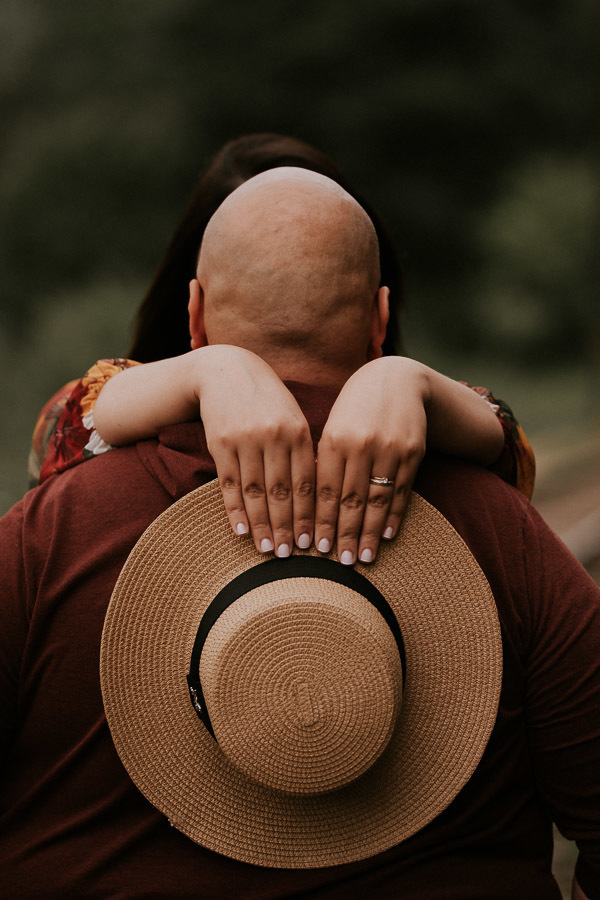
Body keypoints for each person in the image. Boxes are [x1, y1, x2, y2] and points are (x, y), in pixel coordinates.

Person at [1, 167, 598, 898]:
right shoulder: (499, 523)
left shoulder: (52, 529)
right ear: (380, 319)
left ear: (194, 315)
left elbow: (65, 432)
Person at [28, 133, 535, 557]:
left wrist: (408, 380)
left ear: (193, 309)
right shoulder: (134, 408)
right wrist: (206, 372)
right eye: (265, 270)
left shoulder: (406, 415)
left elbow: (64, 433)